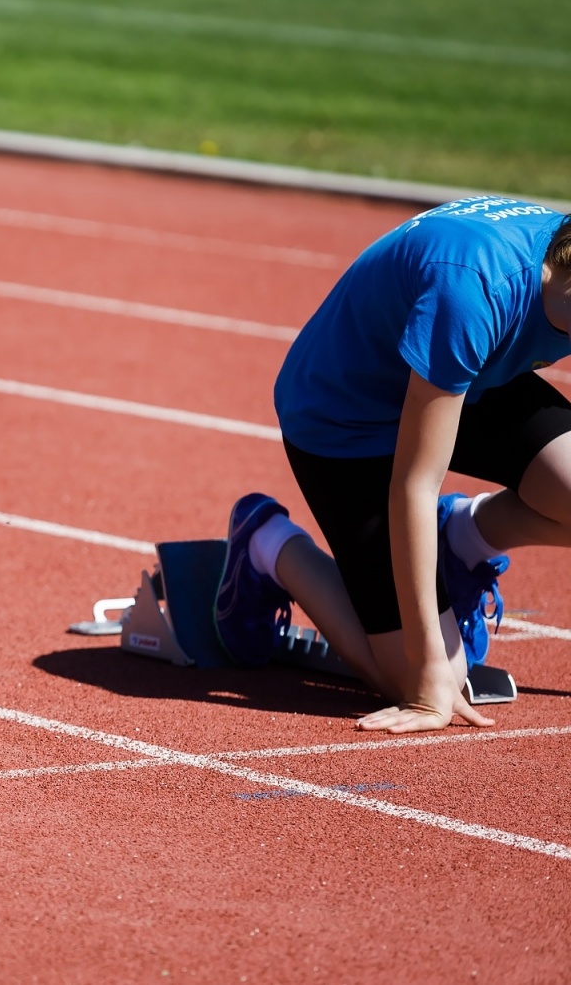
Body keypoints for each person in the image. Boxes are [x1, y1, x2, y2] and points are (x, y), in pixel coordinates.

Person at [214, 197, 571, 732]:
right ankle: (268, 545)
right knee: (431, 680)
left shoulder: (554, 262)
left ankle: (464, 538)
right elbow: (414, 485)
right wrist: (427, 671)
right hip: (345, 414)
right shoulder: (474, 289)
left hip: (462, 378)